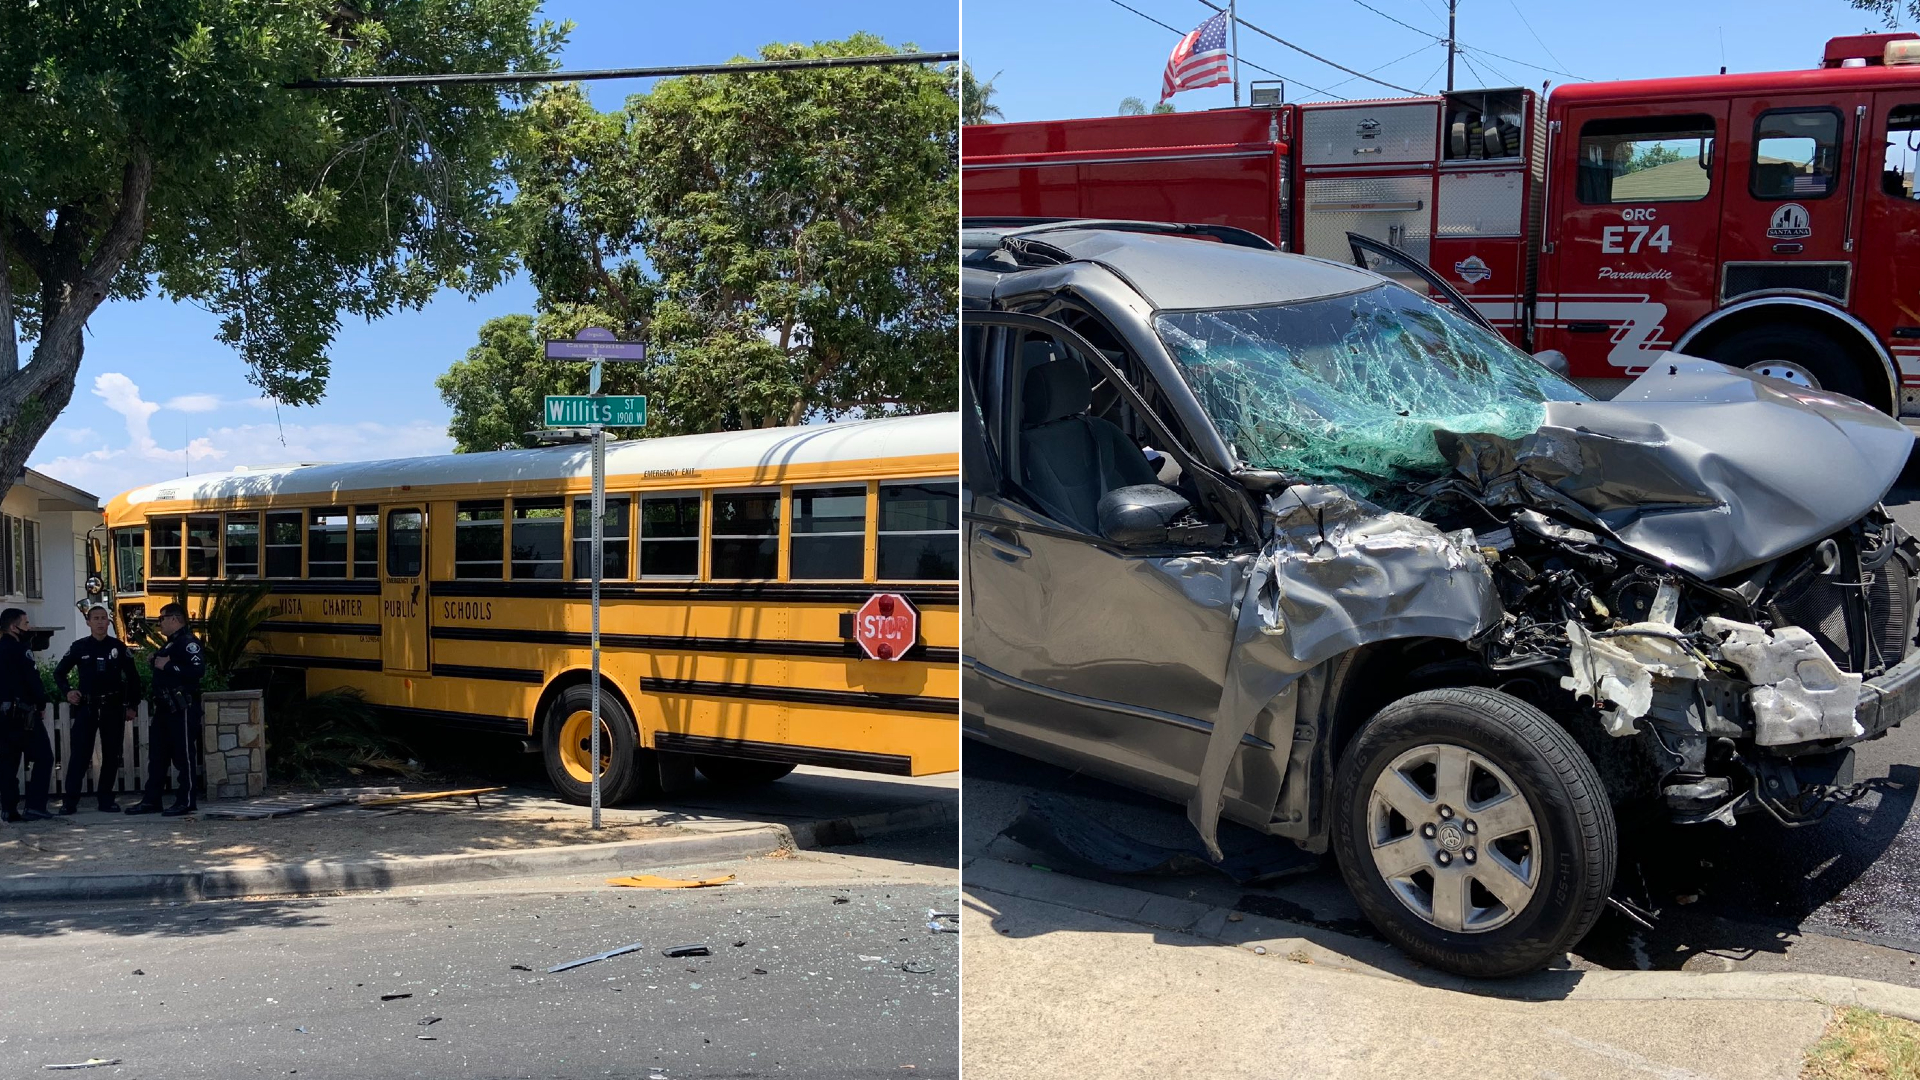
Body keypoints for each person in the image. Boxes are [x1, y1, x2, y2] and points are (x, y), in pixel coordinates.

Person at [54, 605, 142, 814]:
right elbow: (59, 673)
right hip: (87, 707)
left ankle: (106, 799)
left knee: (112, 755)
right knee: (80, 755)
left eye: (104, 618)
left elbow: (133, 679)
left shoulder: (119, 647)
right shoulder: (79, 647)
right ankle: (70, 802)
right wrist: (68, 691)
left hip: (113, 707)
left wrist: (132, 706)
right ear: (88, 622)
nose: (101, 622)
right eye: (96, 618)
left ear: (108, 622)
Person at [125, 603, 204, 817]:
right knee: (157, 756)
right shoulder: (171, 644)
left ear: (175, 619)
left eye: (162, 619)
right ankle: (152, 800)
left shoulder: (188, 643)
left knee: (183, 755)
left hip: (182, 707)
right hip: (164, 708)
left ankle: (186, 801)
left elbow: (197, 670)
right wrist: (156, 661)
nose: (159, 623)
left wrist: (167, 666)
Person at [0, 607, 52, 822]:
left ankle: (8, 809)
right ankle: (35, 806)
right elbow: (32, 680)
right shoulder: (21, 650)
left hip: (2, 716)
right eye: (26, 623)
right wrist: (41, 703)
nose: (29, 627)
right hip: (23, 716)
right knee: (44, 757)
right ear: (14, 627)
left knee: (7, 763)